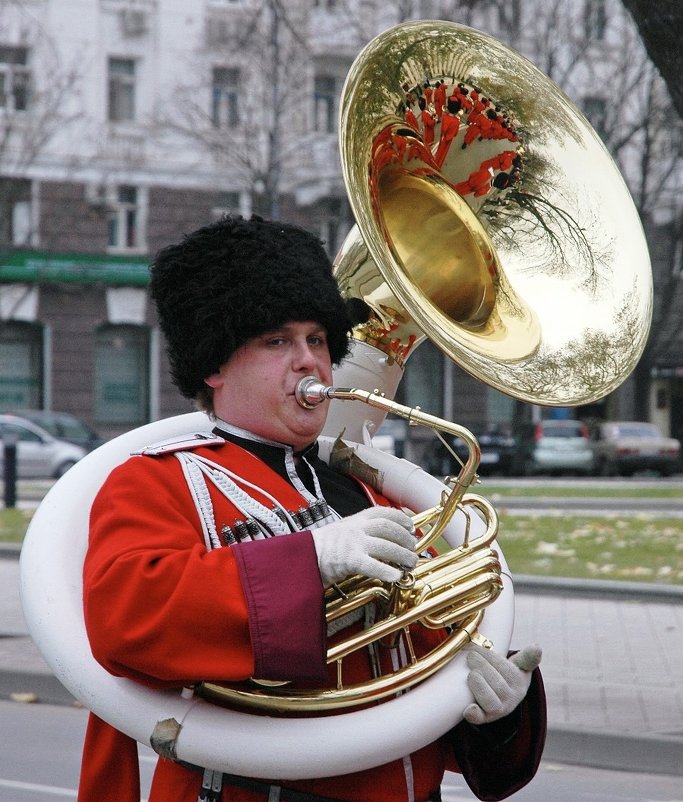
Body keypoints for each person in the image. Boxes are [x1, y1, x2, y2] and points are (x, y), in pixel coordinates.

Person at [78, 215, 546, 802]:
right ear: (214, 365)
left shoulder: (369, 491)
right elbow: (126, 614)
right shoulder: (158, 480)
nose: (310, 362)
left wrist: (493, 708)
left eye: (318, 340)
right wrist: (311, 559)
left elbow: (420, 654)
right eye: (278, 341)